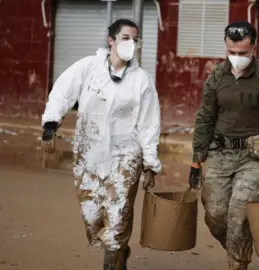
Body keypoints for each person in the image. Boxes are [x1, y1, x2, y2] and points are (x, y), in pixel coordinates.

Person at [41, 19, 161, 270]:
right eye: (126, 37)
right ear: (111, 41)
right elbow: (63, 92)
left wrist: (150, 163)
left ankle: (115, 253)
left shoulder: (142, 80)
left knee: (118, 216)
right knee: (93, 216)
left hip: (126, 156)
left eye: (135, 39)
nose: (132, 43)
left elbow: (149, 123)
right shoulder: (88, 67)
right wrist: (51, 124)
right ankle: (119, 248)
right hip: (89, 154)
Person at [187, 21, 259, 270]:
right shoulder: (216, 76)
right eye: (232, 52)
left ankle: (237, 263)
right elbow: (205, 117)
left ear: (254, 47)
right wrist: (196, 159)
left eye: (243, 53)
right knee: (215, 214)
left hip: (254, 158)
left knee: (239, 214)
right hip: (220, 154)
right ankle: (239, 247)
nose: (237, 58)